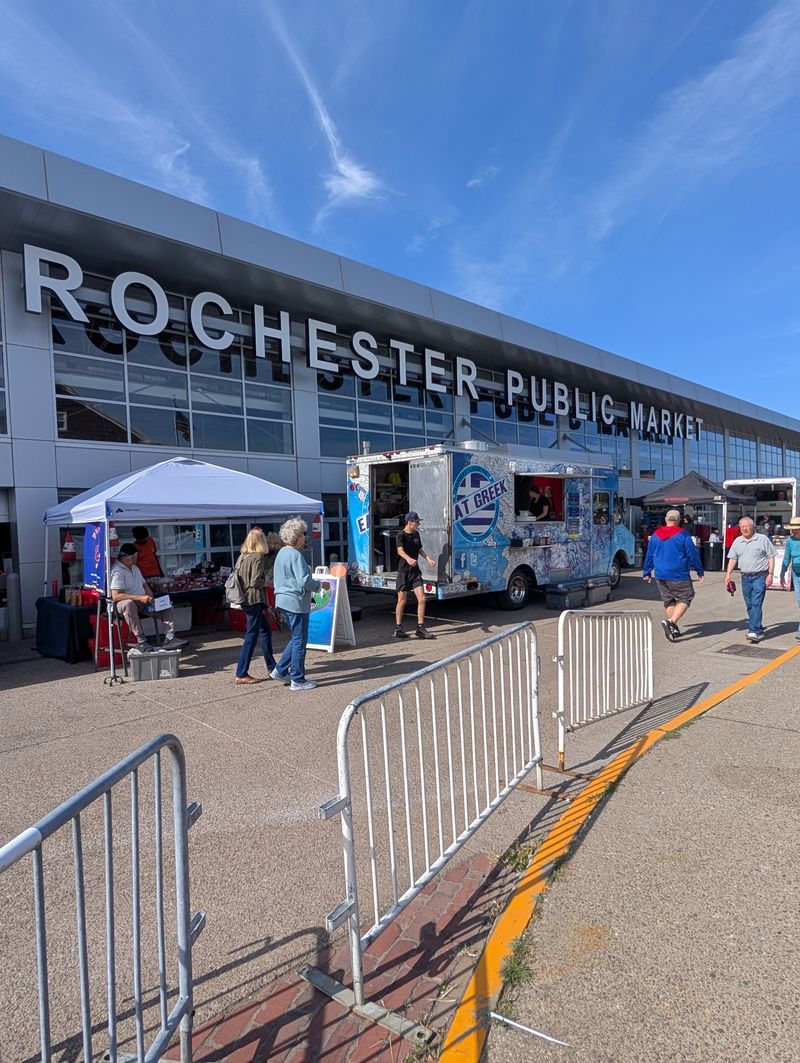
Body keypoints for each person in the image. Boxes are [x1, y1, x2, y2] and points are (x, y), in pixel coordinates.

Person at [271, 518, 325, 691]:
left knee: (296, 638)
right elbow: (305, 581)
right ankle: (298, 679)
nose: (305, 537)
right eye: (303, 534)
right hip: (295, 601)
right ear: (296, 536)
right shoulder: (295, 555)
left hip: (283, 600)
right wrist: (320, 585)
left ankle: (280, 670)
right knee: (300, 641)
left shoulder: (282, 553)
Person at [110, 543, 187, 652]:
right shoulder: (117, 570)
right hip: (125, 605)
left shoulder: (135, 568)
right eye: (134, 557)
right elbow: (116, 596)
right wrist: (140, 598)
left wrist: (150, 596)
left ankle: (170, 637)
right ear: (127, 557)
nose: (136, 559)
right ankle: (141, 640)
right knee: (129, 604)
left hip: (143, 603)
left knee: (167, 607)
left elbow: (145, 585)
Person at [642, 509, 704, 642]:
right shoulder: (683, 535)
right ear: (678, 520)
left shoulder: (655, 535)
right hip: (678, 574)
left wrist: (647, 572)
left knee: (669, 601)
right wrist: (699, 571)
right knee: (686, 596)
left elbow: (649, 554)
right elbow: (692, 554)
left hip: (660, 574)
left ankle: (672, 629)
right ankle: (671, 622)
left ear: (666, 519)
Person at [232, 528, 278, 685]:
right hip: (254, 599)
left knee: (265, 631)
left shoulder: (243, 556)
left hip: (245, 599)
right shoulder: (258, 557)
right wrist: (268, 582)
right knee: (251, 636)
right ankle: (241, 672)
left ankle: (272, 666)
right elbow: (255, 582)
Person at [725, 517, 776, 642]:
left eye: (747, 526)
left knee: (756, 603)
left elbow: (771, 556)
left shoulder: (762, 539)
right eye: (742, 527)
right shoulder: (738, 541)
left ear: (753, 527)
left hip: (760, 576)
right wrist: (728, 575)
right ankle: (757, 627)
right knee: (749, 605)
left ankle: (753, 631)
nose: (744, 529)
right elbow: (733, 558)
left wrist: (770, 573)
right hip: (745, 577)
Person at [394, 511, 436, 639]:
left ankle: (420, 628)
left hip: (415, 572)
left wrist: (428, 558)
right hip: (404, 572)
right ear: (409, 522)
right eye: (417, 522)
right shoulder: (400, 535)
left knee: (422, 599)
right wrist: (408, 559)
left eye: (418, 522)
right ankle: (398, 628)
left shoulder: (416, 534)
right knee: (402, 600)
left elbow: (420, 549)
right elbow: (399, 550)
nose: (418, 524)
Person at [780, 516, 800, 641]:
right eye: (793, 529)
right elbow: (787, 558)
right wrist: (782, 573)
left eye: (796, 529)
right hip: (797, 575)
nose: (793, 532)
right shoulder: (790, 541)